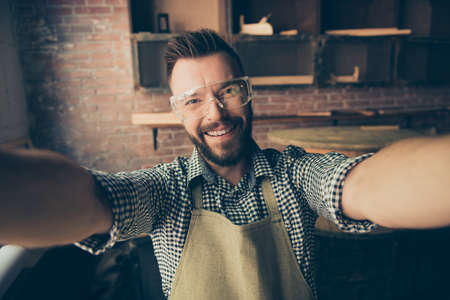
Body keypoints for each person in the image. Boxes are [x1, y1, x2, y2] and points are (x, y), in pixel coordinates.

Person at [1, 29, 449, 300]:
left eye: (227, 91)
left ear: (247, 92)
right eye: (194, 100)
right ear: (178, 111)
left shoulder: (295, 174)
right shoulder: (164, 192)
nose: (215, 113)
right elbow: (94, 201)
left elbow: (361, 184)